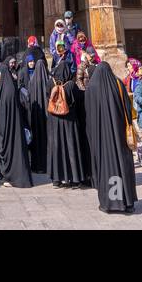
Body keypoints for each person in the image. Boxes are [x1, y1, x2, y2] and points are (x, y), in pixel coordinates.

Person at [84, 61, 137, 214]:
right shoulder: (118, 84)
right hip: (120, 137)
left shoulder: (91, 89)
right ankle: (127, 203)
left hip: (102, 139)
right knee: (123, 167)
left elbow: (88, 117)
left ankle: (112, 203)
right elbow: (128, 109)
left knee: (108, 168)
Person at [0, 62, 33, 188]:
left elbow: (4, 112)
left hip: (8, 130)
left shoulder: (7, 91)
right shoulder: (5, 88)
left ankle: (13, 178)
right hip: (7, 129)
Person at [46, 60, 86, 188]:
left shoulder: (49, 83)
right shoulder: (71, 85)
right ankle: (74, 179)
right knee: (71, 148)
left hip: (54, 122)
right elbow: (78, 101)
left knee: (56, 148)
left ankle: (57, 179)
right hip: (69, 122)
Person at [19, 46, 50, 174]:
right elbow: (20, 86)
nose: (31, 63)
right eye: (29, 61)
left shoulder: (39, 73)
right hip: (28, 106)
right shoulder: (24, 72)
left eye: (33, 61)